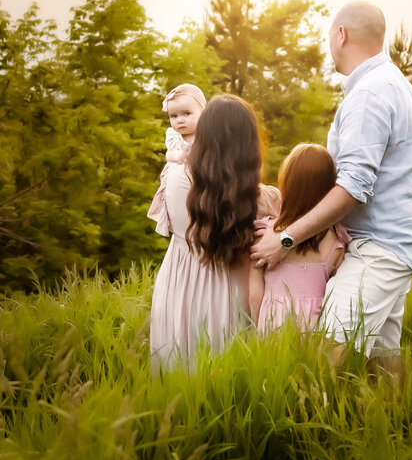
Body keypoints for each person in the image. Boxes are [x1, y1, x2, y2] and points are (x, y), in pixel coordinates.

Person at [251, 1, 412, 381]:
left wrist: (285, 239)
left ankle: (305, 436)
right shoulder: (398, 87)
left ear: (341, 35)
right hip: (394, 246)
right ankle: (397, 430)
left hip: (376, 250)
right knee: (383, 356)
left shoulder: (369, 95)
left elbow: (352, 187)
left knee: (325, 354)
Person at [148, 94, 278, 370]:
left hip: (180, 288)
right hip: (234, 294)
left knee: (177, 376)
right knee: (228, 383)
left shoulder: (175, 177)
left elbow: (178, 230)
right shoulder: (263, 199)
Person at [250, 143, 346, 332]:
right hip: (315, 330)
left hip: (271, 326)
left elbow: (254, 293)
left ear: (287, 183)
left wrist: (255, 326)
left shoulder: (265, 234)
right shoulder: (335, 242)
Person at [147, 84, 206, 236]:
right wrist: (177, 156)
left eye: (187, 114)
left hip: (199, 181)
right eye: (174, 116)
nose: (180, 120)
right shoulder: (174, 136)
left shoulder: (205, 136)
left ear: (203, 113)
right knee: (181, 215)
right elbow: (169, 155)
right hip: (179, 183)